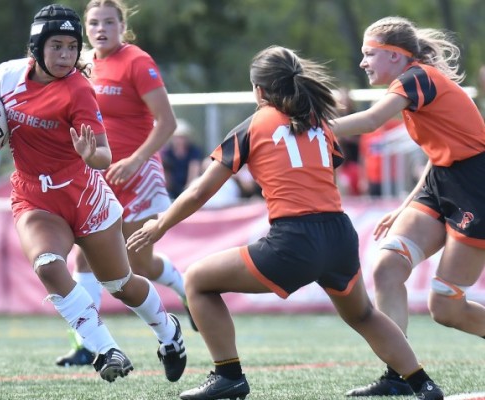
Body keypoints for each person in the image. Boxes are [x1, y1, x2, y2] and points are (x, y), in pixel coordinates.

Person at [127, 45, 443, 400]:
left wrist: (161, 225)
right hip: (339, 234)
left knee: (197, 281)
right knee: (364, 314)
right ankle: (422, 383)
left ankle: (228, 376)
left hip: (295, 239)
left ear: (259, 90)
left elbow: (200, 191)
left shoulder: (254, 125)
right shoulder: (318, 122)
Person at [0, 3, 186, 383]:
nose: (65, 55)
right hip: (34, 196)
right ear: (36, 47)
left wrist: (94, 156)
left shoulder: (79, 90)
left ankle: (168, 333)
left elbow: (104, 154)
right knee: (47, 265)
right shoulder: (6, 76)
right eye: (56, 45)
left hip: (84, 195)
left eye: (72, 47)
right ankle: (105, 348)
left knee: (120, 284)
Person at [329, 16, 485, 397]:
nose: (363, 62)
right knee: (385, 268)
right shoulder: (416, 80)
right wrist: (407, 205)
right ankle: (398, 375)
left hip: (476, 187)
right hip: (442, 182)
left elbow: (369, 121)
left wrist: (310, 126)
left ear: (397, 57)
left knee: (445, 307)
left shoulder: (416, 78)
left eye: (370, 54)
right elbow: (438, 155)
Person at [54, 0, 192, 368]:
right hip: (98, 176)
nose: (101, 29)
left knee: (137, 262)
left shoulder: (136, 61)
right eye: (94, 23)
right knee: (83, 253)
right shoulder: (81, 65)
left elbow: (167, 123)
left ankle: (184, 287)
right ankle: (87, 343)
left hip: (137, 174)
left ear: (122, 25)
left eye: (109, 22)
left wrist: (135, 160)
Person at [161, 119, 204, 199]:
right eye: (176, 137)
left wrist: (187, 192)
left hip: (189, 189)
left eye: (182, 137)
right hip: (171, 190)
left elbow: (193, 175)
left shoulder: (194, 151)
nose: (179, 140)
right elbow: (166, 176)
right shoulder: (167, 153)